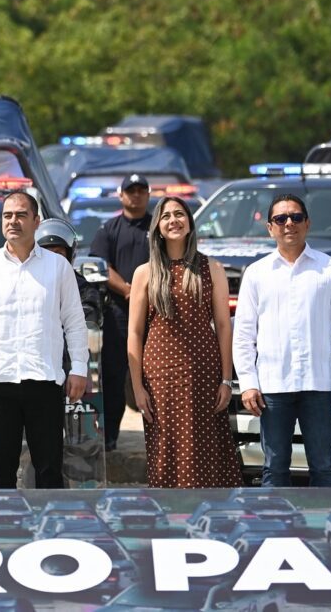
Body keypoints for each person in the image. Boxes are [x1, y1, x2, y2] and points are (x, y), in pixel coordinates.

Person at [0, 191, 88, 489]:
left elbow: (74, 321)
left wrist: (79, 367)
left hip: (44, 379)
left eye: (20, 215)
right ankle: (3, 530)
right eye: (7, 216)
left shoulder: (58, 267)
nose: (13, 221)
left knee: (48, 468)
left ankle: (51, 530)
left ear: (36, 221)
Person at [233, 193, 331, 487]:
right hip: (273, 388)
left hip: (320, 386)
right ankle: (276, 531)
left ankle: (327, 531)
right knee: (274, 469)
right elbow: (243, 335)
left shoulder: (330, 269)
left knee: (324, 468)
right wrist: (249, 383)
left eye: (296, 217)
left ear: (307, 223)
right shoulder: (256, 274)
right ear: (270, 228)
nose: (289, 223)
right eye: (281, 219)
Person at [127, 197, 241, 488]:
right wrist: (138, 388)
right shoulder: (145, 272)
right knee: (165, 449)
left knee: (206, 447)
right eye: (166, 216)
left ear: (190, 223)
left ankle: (209, 515)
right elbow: (135, 334)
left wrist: (226, 380)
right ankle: (169, 515)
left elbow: (224, 326)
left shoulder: (211, 268)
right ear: (158, 227)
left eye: (180, 214)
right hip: (160, 377)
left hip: (204, 374)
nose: (174, 220)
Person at [89, 173, 151, 451]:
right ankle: (110, 438)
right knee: (114, 378)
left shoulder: (157, 226)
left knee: (155, 377)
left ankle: (159, 438)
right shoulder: (109, 229)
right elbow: (100, 265)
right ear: (121, 194)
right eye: (131, 190)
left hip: (156, 313)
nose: (136, 195)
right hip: (119, 315)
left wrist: (145, 294)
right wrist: (129, 291)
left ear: (148, 194)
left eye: (141, 190)